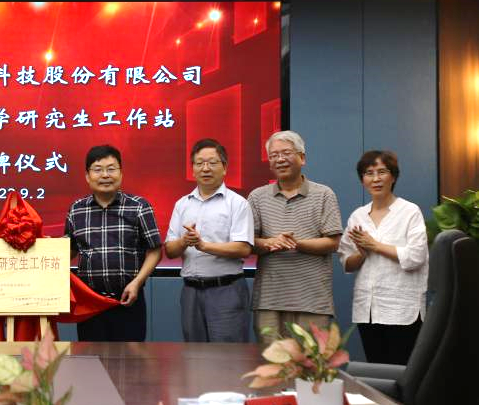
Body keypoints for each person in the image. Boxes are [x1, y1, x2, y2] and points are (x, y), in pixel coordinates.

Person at [248, 130, 343, 343]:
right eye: (274, 155)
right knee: (270, 361)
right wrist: (270, 242)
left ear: (302, 158)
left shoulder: (324, 194)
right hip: (269, 301)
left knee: (311, 361)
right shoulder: (257, 197)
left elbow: (334, 242)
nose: (280, 159)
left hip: (313, 301)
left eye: (286, 153)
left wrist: (296, 244)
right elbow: (248, 243)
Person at [64, 144, 162, 341]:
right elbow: (71, 250)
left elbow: (155, 250)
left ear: (121, 173)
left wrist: (137, 283)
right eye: (98, 170)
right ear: (87, 176)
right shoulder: (76, 209)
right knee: (91, 356)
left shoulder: (139, 207)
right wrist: (45, 251)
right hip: (90, 303)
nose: (105, 175)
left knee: (130, 358)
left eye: (111, 169)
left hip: (128, 299)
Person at [338, 150, 428, 365]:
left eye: (382, 172)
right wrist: (362, 253)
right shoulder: (358, 216)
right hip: (367, 309)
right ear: (362, 180)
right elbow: (347, 263)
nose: (376, 178)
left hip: (401, 308)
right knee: (376, 369)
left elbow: (416, 256)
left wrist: (375, 246)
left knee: (402, 371)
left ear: (393, 176)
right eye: (369, 173)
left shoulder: (409, 211)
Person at [165, 138, 253, 342]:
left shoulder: (237, 203)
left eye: (212, 163)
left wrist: (203, 246)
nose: (205, 168)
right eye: (199, 163)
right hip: (191, 291)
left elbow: (243, 249)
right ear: (193, 169)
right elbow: (169, 250)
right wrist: (184, 241)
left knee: (228, 355)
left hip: (226, 290)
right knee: (194, 354)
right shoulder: (182, 204)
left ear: (225, 167)